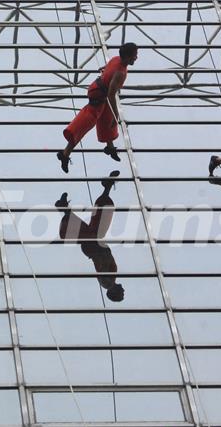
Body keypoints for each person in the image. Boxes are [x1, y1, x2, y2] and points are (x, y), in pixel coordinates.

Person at [57, 43, 138, 173]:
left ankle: (110, 147)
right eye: (134, 56)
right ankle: (64, 154)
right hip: (99, 96)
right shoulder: (120, 73)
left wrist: (105, 72)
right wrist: (116, 115)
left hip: (98, 90)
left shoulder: (116, 59)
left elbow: (106, 68)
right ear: (128, 57)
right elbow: (111, 94)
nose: (136, 58)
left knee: (107, 119)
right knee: (83, 125)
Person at [54, 171, 124, 302]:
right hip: (96, 247)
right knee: (97, 221)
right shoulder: (110, 281)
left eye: (122, 294)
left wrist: (102, 251)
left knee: (95, 225)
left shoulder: (107, 283)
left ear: (115, 293)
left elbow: (102, 265)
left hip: (95, 249)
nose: (123, 291)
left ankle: (107, 187)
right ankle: (106, 187)